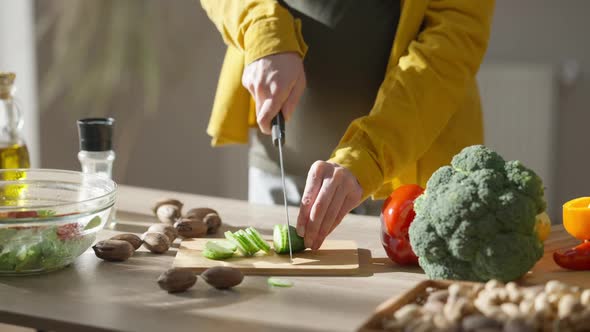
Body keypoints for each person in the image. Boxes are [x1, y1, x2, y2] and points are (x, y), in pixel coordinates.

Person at [200, 0, 495, 250]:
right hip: (280, 167)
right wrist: (261, 31)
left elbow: (452, 40)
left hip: (407, 189)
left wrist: (368, 157)